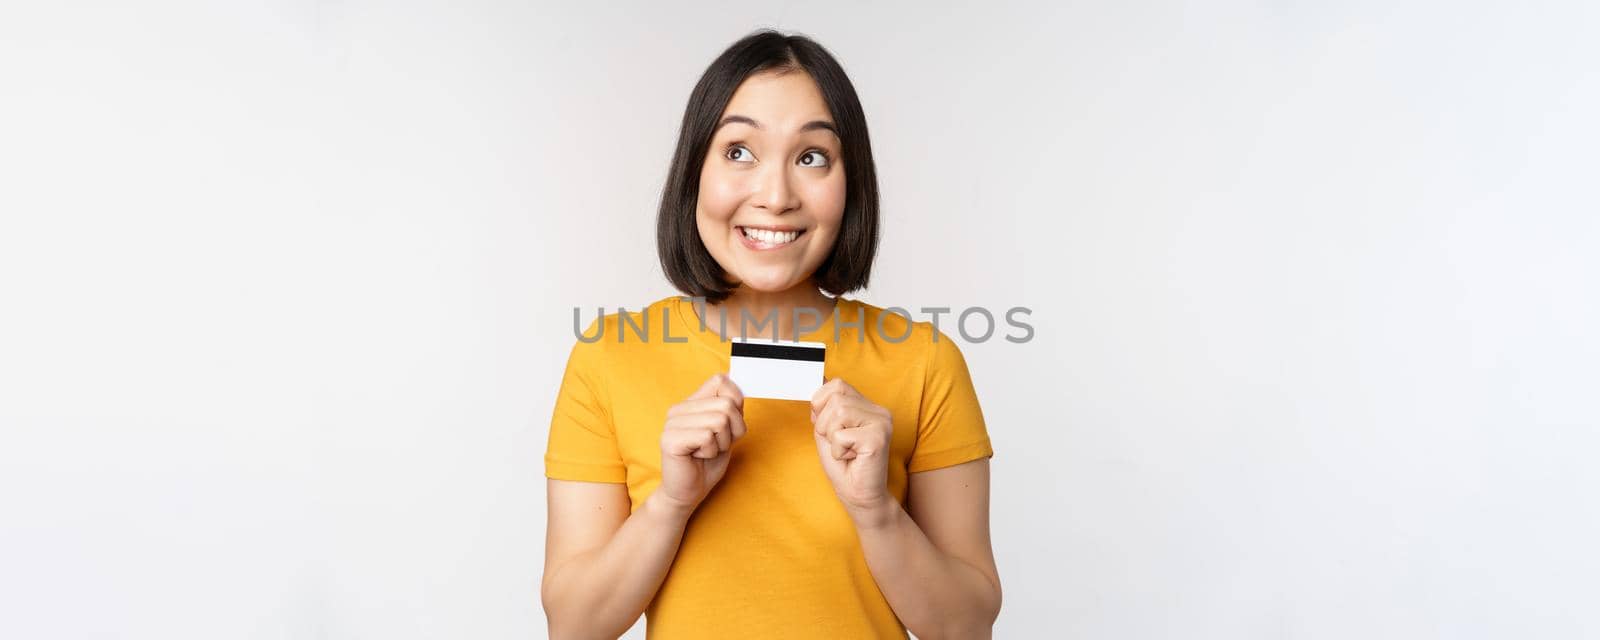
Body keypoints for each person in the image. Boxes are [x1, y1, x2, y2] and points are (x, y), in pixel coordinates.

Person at [540, 29, 1000, 639]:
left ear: (851, 182)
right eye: (738, 152)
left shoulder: (924, 361)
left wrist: (876, 512)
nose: (777, 196)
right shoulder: (608, 357)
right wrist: (671, 504)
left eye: (812, 157)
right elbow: (574, 626)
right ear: (694, 172)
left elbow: (965, 628)